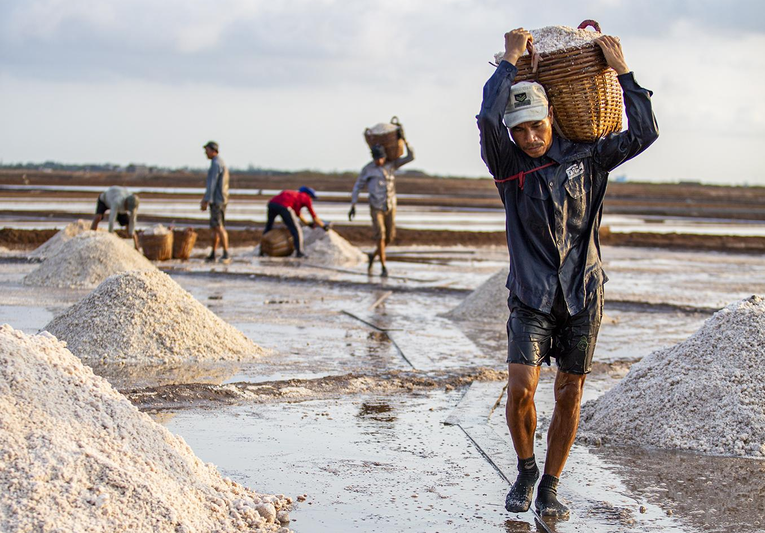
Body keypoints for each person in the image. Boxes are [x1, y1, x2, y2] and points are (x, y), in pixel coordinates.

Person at [477, 29, 658, 519]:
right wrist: (511, 61)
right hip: (531, 297)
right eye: (520, 131)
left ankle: (551, 485)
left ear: (552, 116)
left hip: (583, 294)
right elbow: (487, 118)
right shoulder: (507, 166)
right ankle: (526, 467)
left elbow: (644, 133)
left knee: (569, 391)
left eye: (536, 126)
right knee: (521, 389)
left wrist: (624, 74)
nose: (529, 138)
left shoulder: (589, 155)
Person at [348, 141, 414, 277]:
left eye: (381, 158)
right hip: (375, 206)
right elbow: (357, 187)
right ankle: (384, 266)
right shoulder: (368, 169)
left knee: (389, 237)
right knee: (380, 235)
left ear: (384, 157)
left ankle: (373, 255)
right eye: (376, 159)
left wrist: (405, 140)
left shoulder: (392, 165)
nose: (379, 161)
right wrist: (353, 205)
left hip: (390, 205)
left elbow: (410, 157)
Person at [263, 187, 328, 258]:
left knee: (269, 226)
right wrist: (323, 226)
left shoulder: (294, 195)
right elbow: (313, 216)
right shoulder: (306, 198)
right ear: (310, 195)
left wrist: (308, 224)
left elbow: (298, 214)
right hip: (284, 206)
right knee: (296, 229)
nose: (311, 199)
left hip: (271, 204)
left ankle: (262, 250)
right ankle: (299, 252)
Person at [201, 141, 230, 262]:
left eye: (207, 150)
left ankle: (226, 254)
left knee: (218, 227)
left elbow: (212, 184)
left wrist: (206, 199)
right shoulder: (220, 163)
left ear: (213, 151)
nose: (205, 153)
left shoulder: (215, 164)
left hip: (217, 200)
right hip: (221, 198)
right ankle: (213, 253)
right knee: (215, 227)